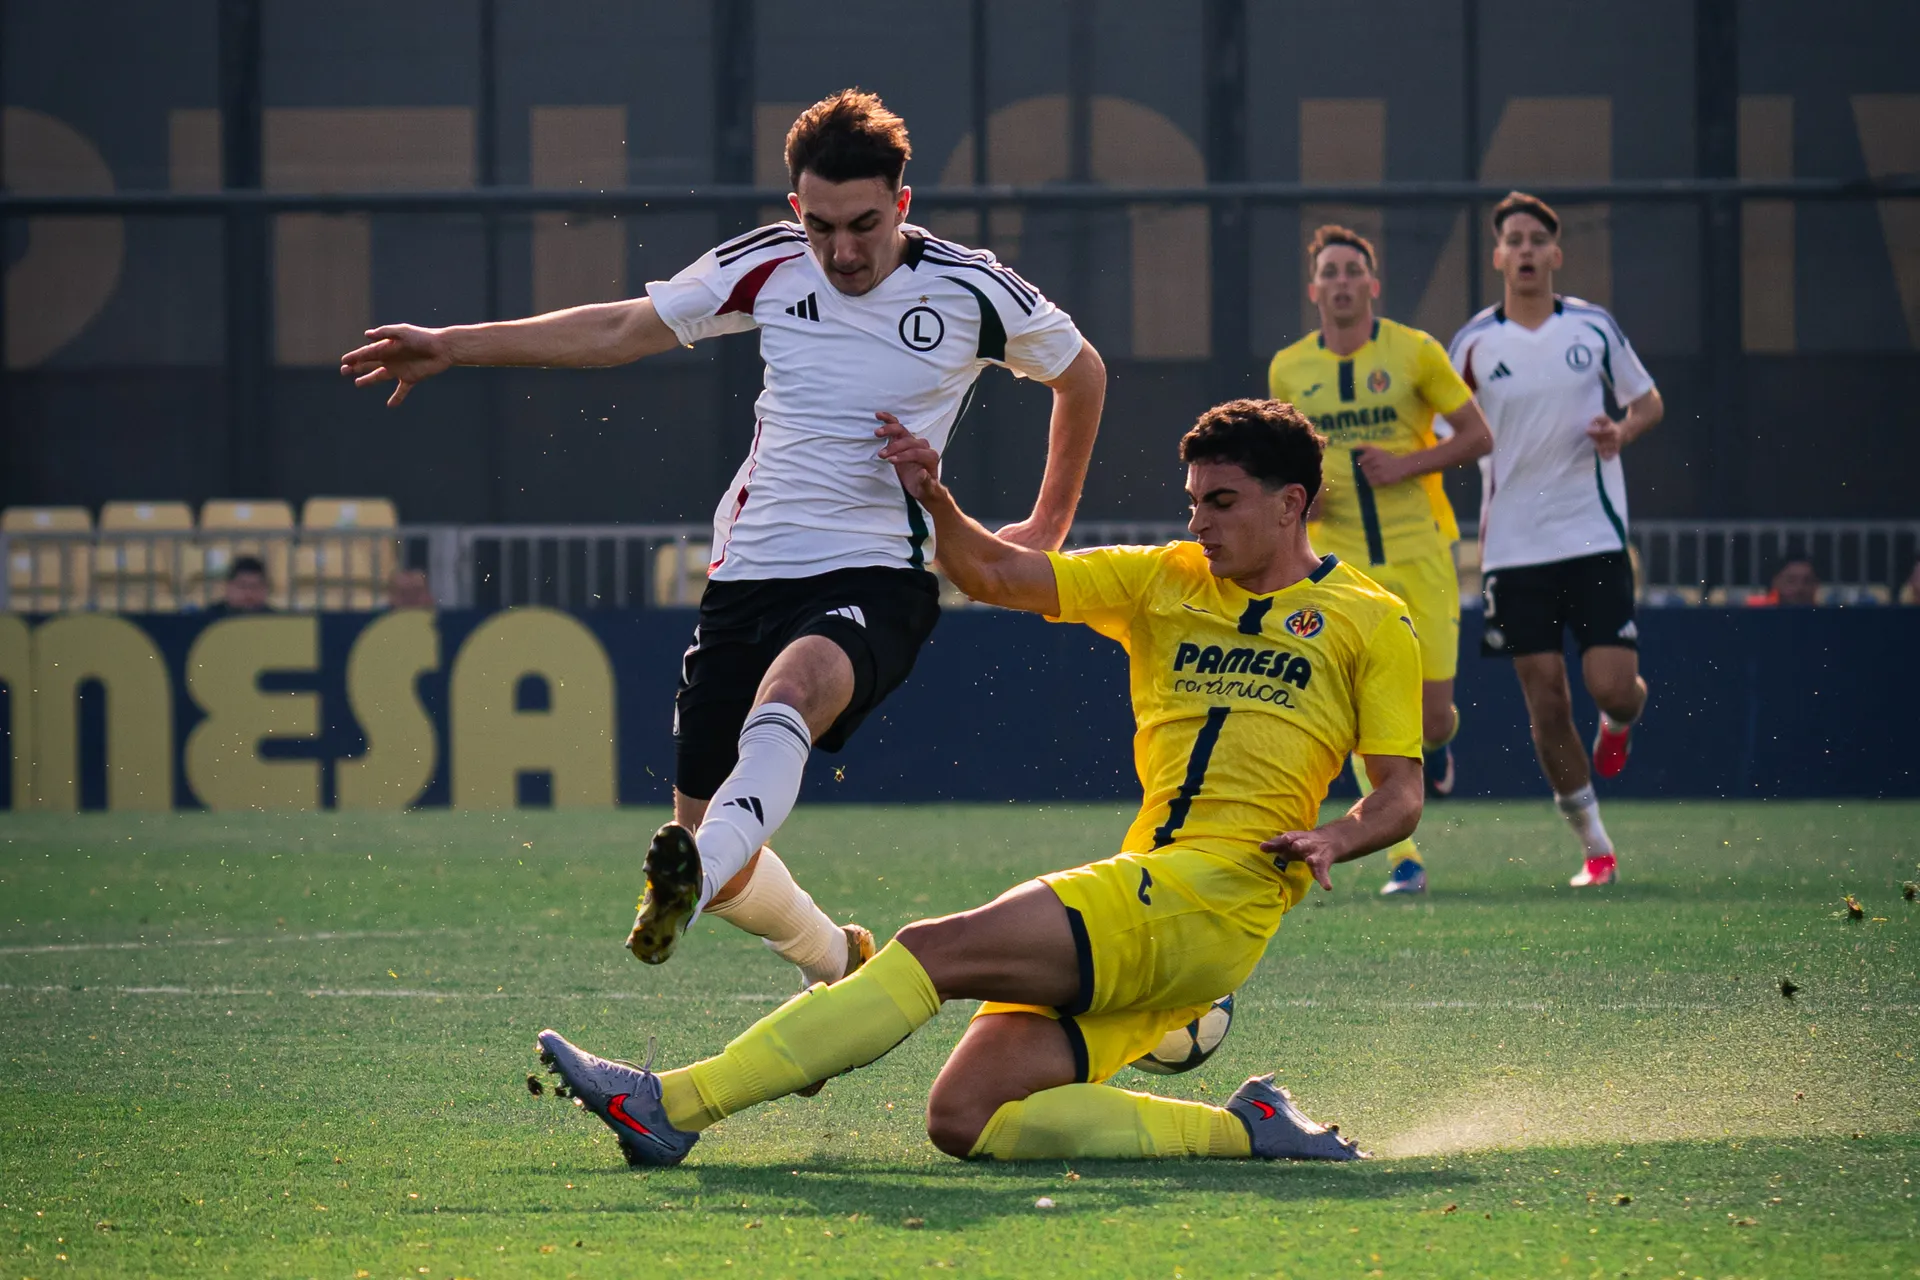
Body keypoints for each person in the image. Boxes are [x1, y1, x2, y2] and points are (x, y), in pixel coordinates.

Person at [340, 90, 1106, 987]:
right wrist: (453, 344)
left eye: (864, 225)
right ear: (795, 210)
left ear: (902, 204)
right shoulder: (768, 262)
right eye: (821, 227)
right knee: (718, 841)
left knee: (795, 690)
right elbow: (622, 329)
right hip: (748, 574)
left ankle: (694, 879)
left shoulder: (971, 288)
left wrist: (1046, 527)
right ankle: (833, 956)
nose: (842, 251)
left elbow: (1081, 372)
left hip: (878, 571)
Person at [535, 398, 1424, 1167]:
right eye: (1192, 502)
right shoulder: (1166, 580)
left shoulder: (1369, 621)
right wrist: (937, 500)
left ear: (1291, 503)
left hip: (1220, 893)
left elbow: (1400, 793)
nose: (1199, 523)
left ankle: (673, 1106)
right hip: (1160, 901)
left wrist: (1337, 836)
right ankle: (1247, 1132)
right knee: (967, 1116)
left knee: (935, 949)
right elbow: (995, 572)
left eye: (1221, 503)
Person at [1268, 225, 1493, 896]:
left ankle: (1438, 748)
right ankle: (1404, 859)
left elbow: (1478, 436)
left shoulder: (1415, 351)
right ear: (1314, 290)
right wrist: (1301, 497)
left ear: (1372, 285)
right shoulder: (1288, 368)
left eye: (1351, 272)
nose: (1340, 282)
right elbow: (1285, 457)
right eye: (1329, 272)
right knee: (1361, 717)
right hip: (1343, 562)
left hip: (1421, 551)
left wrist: (1407, 464)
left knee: (1432, 721)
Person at [1448, 192, 1665, 888]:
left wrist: (1621, 430)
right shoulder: (1473, 343)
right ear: (1498, 256)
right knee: (1546, 699)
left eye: (1537, 240)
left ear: (1555, 254)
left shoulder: (1592, 327)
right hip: (1513, 549)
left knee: (1613, 689)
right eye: (1514, 239)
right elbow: (1444, 429)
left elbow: (1647, 400)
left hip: (1592, 534)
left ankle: (1620, 723)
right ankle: (1595, 848)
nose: (1526, 250)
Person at [203, 555, 273, 616]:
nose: (249, 592)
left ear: (265, 589)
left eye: (255, 586)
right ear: (228, 587)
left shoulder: (274, 619)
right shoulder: (207, 620)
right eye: (242, 586)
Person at [1746, 556, 1819, 607]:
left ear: (1816, 585)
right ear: (1775, 583)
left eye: (1807, 581)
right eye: (1791, 581)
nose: (1800, 588)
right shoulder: (1760, 618)